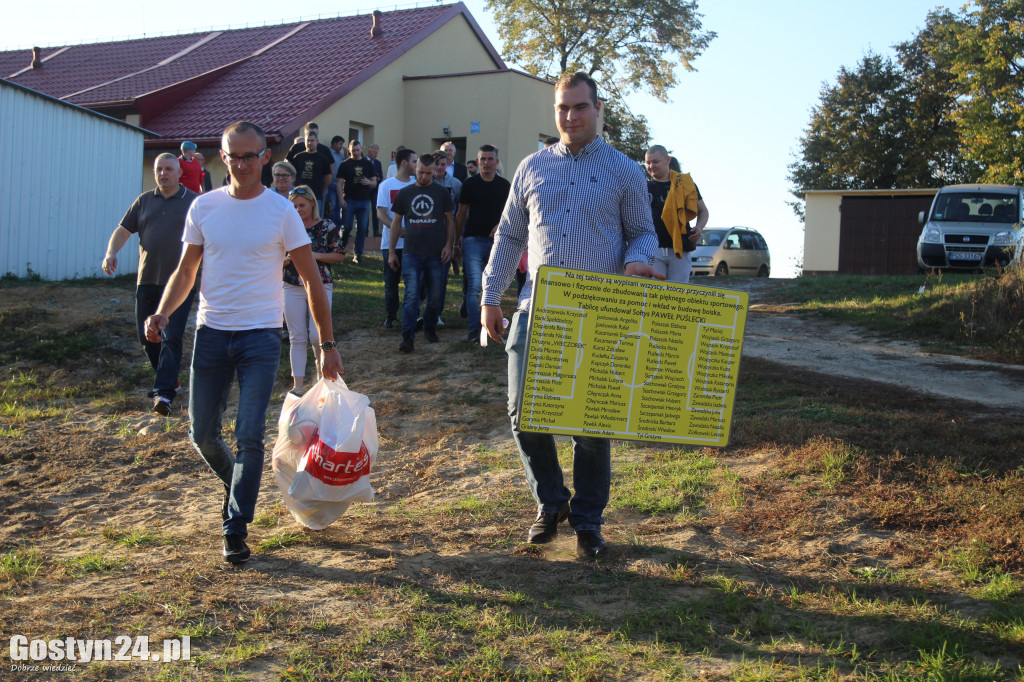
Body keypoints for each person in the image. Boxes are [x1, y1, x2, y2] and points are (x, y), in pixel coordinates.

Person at [145, 121, 343, 565]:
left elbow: (312, 280)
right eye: (234, 156)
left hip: (260, 336)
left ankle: (235, 527)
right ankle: (239, 481)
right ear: (223, 156)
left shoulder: (282, 211)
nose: (242, 164)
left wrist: (327, 346)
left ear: (265, 158)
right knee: (202, 434)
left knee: (249, 434)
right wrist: (162, 310)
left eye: (251, 156)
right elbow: (185, 271)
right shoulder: (204, 207)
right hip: (211, 334)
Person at [480, 72, 661, 559]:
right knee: (524, 416)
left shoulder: (625, 171)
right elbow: (509, 236)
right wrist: (489, 296)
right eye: (562, 108)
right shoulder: (532, 168)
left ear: (598, 109)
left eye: (579, 107)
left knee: (591, 426)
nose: (570, 117)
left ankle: (587, 521)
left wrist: (638, 260)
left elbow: (643, 233)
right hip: (537, 308)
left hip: (601, 312)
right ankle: (551, 502)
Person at [101, 153, 198, 415]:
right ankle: (170, 379)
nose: (163, 173)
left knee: (171, 336)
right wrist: (111, 253)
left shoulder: (193, 202)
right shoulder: (144, 201)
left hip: (180, 283)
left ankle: (164, 393)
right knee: (147, 338)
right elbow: (123, 230)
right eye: (159, 169)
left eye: (169, 169)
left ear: (180, 173)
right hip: (147, 281)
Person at [388, 153, 454, 352]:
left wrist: (449, 245)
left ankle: (430, 326)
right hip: (412, 253)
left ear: (434, 171)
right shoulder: (405, 193)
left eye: (428, 173)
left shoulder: (441, 192)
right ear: (415, 169)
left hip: (436, 253)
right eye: (421, 173)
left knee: (435, 296)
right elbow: (396, 223)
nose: (424, 177)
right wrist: (392, 251)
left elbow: (450, 220)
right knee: (411, 295)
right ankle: (407, 336)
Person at [283, 186, 344, 395]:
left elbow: (339, 255)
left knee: (317, 335)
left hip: (320, 282)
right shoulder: (285, 226)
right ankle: (298, 385)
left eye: (302, 205)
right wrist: (288, 259)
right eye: (294, 206)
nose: (298, 209)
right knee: (296, 335)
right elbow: (273, 257)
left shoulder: (326, 226)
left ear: (312, 204)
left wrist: (313, 256)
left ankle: (322, 380)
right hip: (291, 283)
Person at [456, 144, 510, 343]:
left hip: (497, 242)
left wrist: (499, 225)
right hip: (473, 240)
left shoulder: (505, 185)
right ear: (478, 162)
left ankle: (491, 328)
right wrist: (455, 242)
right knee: (474, 287)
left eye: (490, 159)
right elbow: (461, 214)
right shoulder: (469, 184)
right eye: (483, 159)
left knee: (493, 287)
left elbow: (511, 214)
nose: (486, 163)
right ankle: (473, 332)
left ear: (497, 162)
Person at [644, 145, 708, 283]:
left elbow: (703, 211)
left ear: (667, 160)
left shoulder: (684, 184)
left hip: (680, 249)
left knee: (678, 294)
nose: (651, 166)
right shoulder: (643, 186)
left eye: (655, 162)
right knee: (653, 295)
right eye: (648, 162)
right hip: (652, 249)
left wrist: (699, 228)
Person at [376, 148, 417, 329]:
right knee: (391, 284)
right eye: (414, 161)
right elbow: (380, 213)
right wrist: (396, 228)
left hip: (413, 244)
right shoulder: (387, 185)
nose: (417, 165)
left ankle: (411, 316)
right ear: (404, 163)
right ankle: (391, 316)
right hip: (390, 244)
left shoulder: (417, 184)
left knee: (412, 283)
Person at [336, 140, 378, 264]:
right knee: (346, 227)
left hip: (364, 201)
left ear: (361, 149)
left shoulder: (368, 164)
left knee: (362, 228)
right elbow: (339, 183)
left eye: (357, 150)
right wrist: (340, 199)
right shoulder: (345, 164)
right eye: (353, 150)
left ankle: (358, 254)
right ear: (349, 150)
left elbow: (374, 183)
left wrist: (368, 182)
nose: (355, 152)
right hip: (349, 199)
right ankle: (340, 251)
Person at [292, 130, 333, 210]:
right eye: (307, 141)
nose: (309, 143)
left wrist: (321, 190)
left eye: (312, 140)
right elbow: (292, 175)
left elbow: (328, 179)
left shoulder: (323, 159)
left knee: (316, 220)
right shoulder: (298, 157)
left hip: (316, 196)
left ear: (317, 141)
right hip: (299, 195)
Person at [366, 144, 384, 238]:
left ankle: (376, 230)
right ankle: (365, 230)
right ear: (369, 151)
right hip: (365, 189)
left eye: (377, 153)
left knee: (375, 209)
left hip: (375, 189)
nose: (376, 155)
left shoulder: (377, 163)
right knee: (366, 210)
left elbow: (381, 176)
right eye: (375, 153)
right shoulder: (364, 161)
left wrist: (376, 179)